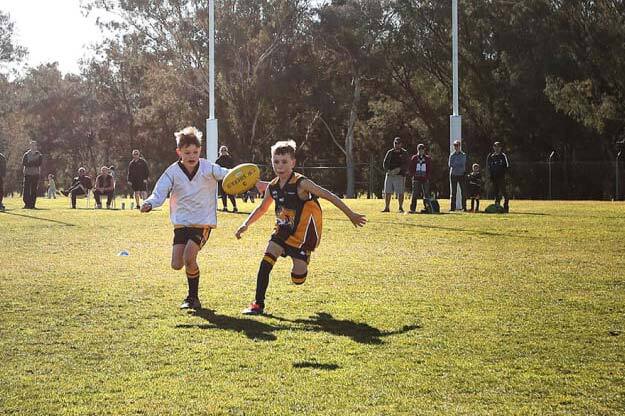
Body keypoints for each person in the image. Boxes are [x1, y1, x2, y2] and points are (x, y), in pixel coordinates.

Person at [235, 140, 367, 315]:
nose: (279, 166)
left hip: (301, 238)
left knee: (298, 279)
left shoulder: (301, 183)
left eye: (284, 162)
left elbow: (327, 195)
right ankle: (258, 304)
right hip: (281, 232)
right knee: (265, 262)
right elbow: (262, 208)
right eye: (276, 161)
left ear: (293, 163)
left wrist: (350, 214)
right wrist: (246, 224)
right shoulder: (273, 186)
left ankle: (304, 258)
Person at [141, 126, 230, 310]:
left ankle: (193, 298)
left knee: (190, 258)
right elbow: (159, 192)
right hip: (181, 224)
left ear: (200, 151)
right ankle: (192, 295)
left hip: (202, 222)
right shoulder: (172, 171)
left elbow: (229, 175)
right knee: (176, 264)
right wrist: (150, 203)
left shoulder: (208, 167)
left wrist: (252, 181)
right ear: (178, 152)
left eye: (195, 152)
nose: (192, 156)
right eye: (187, 152)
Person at [382, 137, 409, 213]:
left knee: (400, 192)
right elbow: (385, 163)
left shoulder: (404, 153)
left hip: (399, 176)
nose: (396, 145)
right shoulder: (390, 152)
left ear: (401, 144)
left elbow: (407, 164)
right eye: (395, 143)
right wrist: (388, 171)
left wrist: (399, 169)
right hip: (390, 175)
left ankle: (400, 207)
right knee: (387, 191)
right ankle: (387, 208)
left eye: (398, 143)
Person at [487, 141, 511, 212]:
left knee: (504, 193)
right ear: (493, 147)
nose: (496, 148)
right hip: (494, 178)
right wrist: (490, 176)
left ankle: (506, 207)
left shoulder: (503, 156)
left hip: (501, 177)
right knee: (496, 193)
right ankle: (497, 208)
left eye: (498, 147)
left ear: (500, 148)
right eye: (495, 146)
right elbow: (489, 167)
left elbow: (507, 166)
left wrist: (504, 174)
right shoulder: (491, 156)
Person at [408, 143, 431, 214]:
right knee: (415, 194)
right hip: (416, 179)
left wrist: (427, 177)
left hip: (425, 179)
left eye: (422, 149)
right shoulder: (414, 158)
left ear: (424, 150)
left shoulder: (427, 158)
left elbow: (429, 169)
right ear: (417, 150)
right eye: (420, 149)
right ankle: (412, 209)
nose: (421, 151)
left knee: (426, 194)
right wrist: (413, 175)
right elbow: (411, 168)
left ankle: (427, 208)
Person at [215, 145, 238, 212]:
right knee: (223, 194)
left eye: (224, 150)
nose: (223, 152)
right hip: (221, 179)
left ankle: (234, 207)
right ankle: (225, 207)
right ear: (220, 152)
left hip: (229, 179)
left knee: (231, 194)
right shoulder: (218, 160)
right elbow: (217, 169)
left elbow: (233, 168)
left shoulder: (230, 159)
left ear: (227, 151)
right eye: (222, 150)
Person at [22, 140, 43, 209]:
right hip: (27, 174)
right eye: (32, 145)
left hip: (35, 174)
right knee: (26, 190)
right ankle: (26, 204)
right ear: (30, 146)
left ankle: (32, 205)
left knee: (34, 190)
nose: (33, 147)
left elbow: (39, 163)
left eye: (34, 145)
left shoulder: (39, 155)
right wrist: (33, 163)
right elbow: (24, 163)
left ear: (36, 146)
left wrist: (30, 163)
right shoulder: (26, 154)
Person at [448, 140, 467, 211]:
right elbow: (450, 164)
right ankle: (452, 208)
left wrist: (456, 164)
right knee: (453, 192)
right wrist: (457, 164)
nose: (456, 147)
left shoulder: (463, 155)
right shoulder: (452, 155)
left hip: (461, 175)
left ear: (460, 146)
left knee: (463, 192)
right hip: (453, 175)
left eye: (457, 145)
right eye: (455, 145)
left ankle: (464, 207)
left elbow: (463, 164)